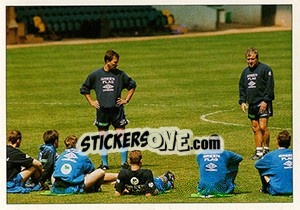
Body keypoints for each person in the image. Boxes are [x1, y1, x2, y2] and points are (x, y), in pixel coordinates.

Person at [80, 50, 137, 170]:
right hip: (102, 111)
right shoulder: (95, 75)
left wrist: (126, 99)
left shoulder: (120, 75)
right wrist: (91, 101)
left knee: (121, 136)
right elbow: (84, 89)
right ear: (107, 61)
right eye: (115, 62)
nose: (117, 64)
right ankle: (105, 164)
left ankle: (123, 163)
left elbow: (132, 86)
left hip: (117, 110)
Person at [238, 47, 275, 160]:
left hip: (263, 103)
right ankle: (259, 151)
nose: (250, 61)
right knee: (255, 127)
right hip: (252, 104)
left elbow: (269, 86)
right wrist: (243, 101)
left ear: (257, 58)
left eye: (252, 59)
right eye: (248, 59)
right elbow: (242, 87)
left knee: (263, 127)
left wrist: (265, 101)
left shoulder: (265, 69)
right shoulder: (245, 72)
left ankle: (266, 150)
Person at [51, 135, 117, 194]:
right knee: (100, 172)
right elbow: (91, 171)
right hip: (73, 187)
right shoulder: (81, 155)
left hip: (57, 187)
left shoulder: (61, 155)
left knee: (54, 174)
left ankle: (115, 180)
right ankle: (118, 177)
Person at [254, 130, 292, 195]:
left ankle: (265, 188)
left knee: (263, 169)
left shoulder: (271, 155)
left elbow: (257, 165)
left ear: (277, 142)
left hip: (278, 189)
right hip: (295, 189)